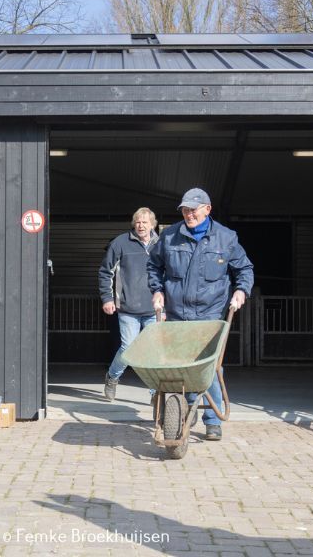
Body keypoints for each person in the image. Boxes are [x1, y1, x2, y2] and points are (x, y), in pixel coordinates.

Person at [147, 188, 253, 441]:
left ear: (208, 209)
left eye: (193, 209)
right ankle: (185, 407)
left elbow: (244, 268)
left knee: (208, 367)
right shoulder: (170, 235)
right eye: (185, 210)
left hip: (210, 314)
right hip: (176, 313)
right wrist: (157, 290)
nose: (188, 214)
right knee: (180, 366)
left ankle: (212, 419)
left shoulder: (226, 238)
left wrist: (241, 291)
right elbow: (153, 265)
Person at [98, 207, 159, 401]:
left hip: (154, 309)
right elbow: (105, 272)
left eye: (145, 222)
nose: (141, 226)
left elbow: (169, 275)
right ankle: (112, 377)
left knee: (152, 351)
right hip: (127, 307)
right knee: (129, 347)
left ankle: (155, 393)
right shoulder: (120, 243)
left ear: (152, 225)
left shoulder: (162, 244)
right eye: (138, 222)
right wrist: (107, 299)